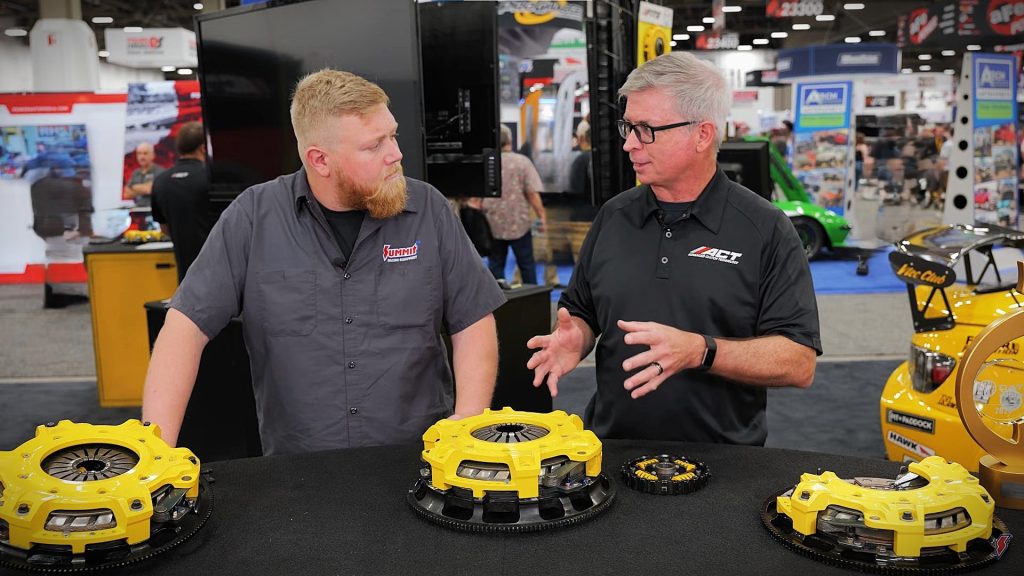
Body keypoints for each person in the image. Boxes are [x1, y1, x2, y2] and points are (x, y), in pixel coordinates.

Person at [142, 69, 506, 455]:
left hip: (419, 460)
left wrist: (469, 420)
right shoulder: (254, 217)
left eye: (393, 134)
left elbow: (473, 320)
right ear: (320, 160)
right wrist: (156, 452)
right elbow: (184, 328)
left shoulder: (428, 208)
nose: (395, 154)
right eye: (374, 145)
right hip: (298, 470)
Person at [526, 52, 821, 445]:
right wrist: (574, 338)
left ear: (702, 134)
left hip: (725, 464)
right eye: (628, 127)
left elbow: (798, 362)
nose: (630, 144)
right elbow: (583, 312)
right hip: (610, 452)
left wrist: (701, 351)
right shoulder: (614, 216)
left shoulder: (765, 228)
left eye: (647, 129)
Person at [479, 124, 547, 285]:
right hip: (519, 223)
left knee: (495, 265)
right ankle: (532, 298)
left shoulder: (487, 162)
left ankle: (498, 303)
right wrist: (541, 216)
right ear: (510, 140)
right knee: (527, 265)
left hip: (492, 223)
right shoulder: (522, 162)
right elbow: (532, 193)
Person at [151, 122, 213, 283]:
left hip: (185, 277)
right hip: (218, 273)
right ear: (203, 148)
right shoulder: (214, 178)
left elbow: (164, 228)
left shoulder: (160, 181)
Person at [124, 142, 164, 206]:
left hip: (153, 210)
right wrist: (144, 188)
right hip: (137, 210)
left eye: (145, 153)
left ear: (153, 155)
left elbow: (150, 189)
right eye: (139, 154)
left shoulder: (160, 172)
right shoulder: (136, 173)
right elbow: (126, 194)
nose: (142, 156)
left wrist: (134, 187)